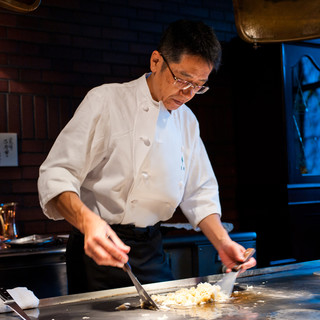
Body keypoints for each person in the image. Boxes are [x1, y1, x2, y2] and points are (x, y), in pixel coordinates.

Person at [38, 19, 256, 294]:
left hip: (151, 251)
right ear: (156, 61)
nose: (188, 94)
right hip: (96, 249)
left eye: (199, 85)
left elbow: (199, 192)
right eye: (182, 79)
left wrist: (223, 242)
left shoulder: (187, 121)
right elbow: (56, 175)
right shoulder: (105, 101)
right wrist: (87, 221)